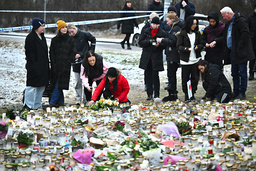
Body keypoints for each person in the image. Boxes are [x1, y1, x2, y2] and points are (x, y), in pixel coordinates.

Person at [220, 7, 255, 100]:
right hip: (232, 52)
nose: (223, 18)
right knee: (234, 72)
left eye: (224, 16)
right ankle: (235, 91)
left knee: (242, 72)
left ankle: (242, 92)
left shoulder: (240, 20)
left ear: (228, 13)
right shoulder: (228, 23)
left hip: (241, 52)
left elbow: (245, 34)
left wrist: (239, 47)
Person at [24, 18, 50, 110]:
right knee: (31, 87)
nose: (43, 28)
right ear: (36, 26)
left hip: (43, 67)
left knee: (41, 87)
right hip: (34, 67)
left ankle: (37, 105)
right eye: (41, 26)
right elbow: (30, 55)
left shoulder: (42, 37)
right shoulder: (30, 38)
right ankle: (29, 105)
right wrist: (35, 67)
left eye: (43, 26)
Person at [176, 15, 204, 101]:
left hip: (195, 60)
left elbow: (201, 44)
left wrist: (198, 47)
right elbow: (178, 46)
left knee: (194, 79)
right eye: (193, 24)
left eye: (196, 24)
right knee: (185, 79)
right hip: (185, 61)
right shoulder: (183, 34)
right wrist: (185, 49)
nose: (194, 26)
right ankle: (186, 94)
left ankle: (192, 94)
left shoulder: (197, 33)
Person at [49, 20, 76, 107]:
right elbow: (51, 52)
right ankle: (61, 102)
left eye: (65, 27)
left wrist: (69, 61)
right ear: (59, 29)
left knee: (59, 84)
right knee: (57, 83)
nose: (64, 29)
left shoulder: (70, 40)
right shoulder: (54, 40)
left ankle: (52, 102)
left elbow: (73, 52)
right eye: (62, 27)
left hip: (65, 66)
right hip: (56, 66)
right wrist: (53, 62)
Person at [67, 24, 96, 105]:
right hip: (75, 62)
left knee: (86, 81)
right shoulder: (70, 38)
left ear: (75, 29)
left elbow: (93, 39)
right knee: (77, 82)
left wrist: (91, 52)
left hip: (85, 61)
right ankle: (78, 100)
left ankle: (86, 99)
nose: (71, 34)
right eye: (69, 33)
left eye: (72, 32)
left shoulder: (84, 34)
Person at [156, 13, 183, 102]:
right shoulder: (174, 27)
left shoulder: (176, 28)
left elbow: (173, 41)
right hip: (171, 54)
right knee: (171, 75)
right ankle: (172, 93)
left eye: (167, 21)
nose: (167, 23)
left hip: (173, 55)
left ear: (172, 20)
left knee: (172, 75)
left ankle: (173, 94)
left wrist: (162, 40)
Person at [139, 17, 166, 100]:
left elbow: (165, 44)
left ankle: (156, 94)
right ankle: (149, 94)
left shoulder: (162, 32)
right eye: (153, 24)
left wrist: (160, 45)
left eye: (156, 24)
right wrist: (150, 41)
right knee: (148, 76)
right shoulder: (145, 31)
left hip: (156, 57)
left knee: (155, 76)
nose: (155, 26)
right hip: (147, 57)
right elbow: (140, 42)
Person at [248, 3, 256, 80]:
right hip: (252, 41)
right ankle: (251, 73)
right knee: (252, 58)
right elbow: (247, 29)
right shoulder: (250, 18)